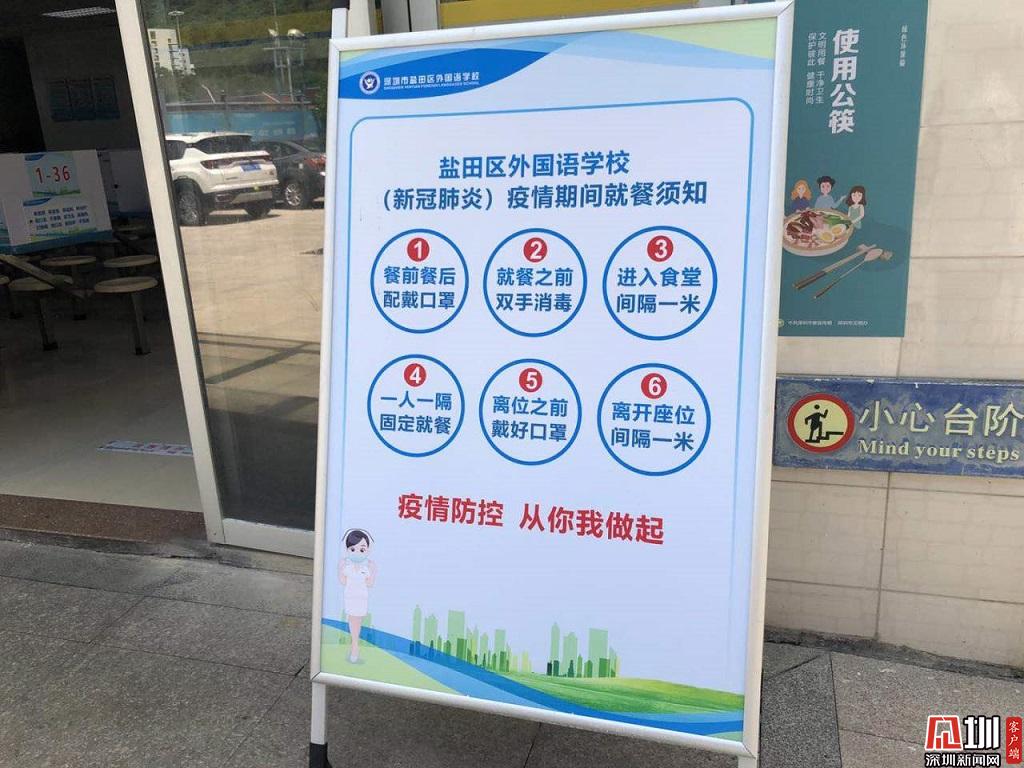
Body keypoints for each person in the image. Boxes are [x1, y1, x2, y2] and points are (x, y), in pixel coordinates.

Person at [339, 528, 377, 664]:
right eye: (353, 549)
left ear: (367, 551)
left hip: (361, 598)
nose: (357, 553)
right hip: (350, 597)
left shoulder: (365, 569)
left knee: (357, 621)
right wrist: (340, 568)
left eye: (362, 549)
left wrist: (373, 570)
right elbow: (343, 581)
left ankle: (355, 646)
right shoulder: (347, 568)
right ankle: (354, 646)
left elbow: (370, 583)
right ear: (347, 550)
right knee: (352, 620)